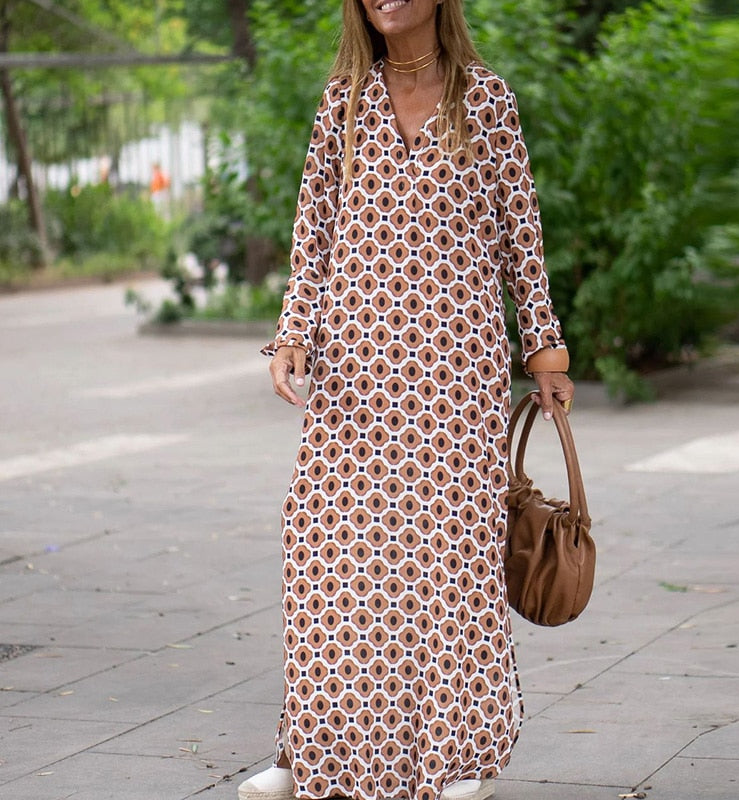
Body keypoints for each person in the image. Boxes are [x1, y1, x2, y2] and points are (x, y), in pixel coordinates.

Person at [239, 1, 574, 799]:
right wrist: (292, 333)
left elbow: (520, 233)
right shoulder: (343, 102)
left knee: (447, 559)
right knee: (327, 550)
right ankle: (315, 746)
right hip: (355, 371)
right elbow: (314, 228)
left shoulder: (485, 99)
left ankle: (460, 753)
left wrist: (544, 346)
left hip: (454, 369)